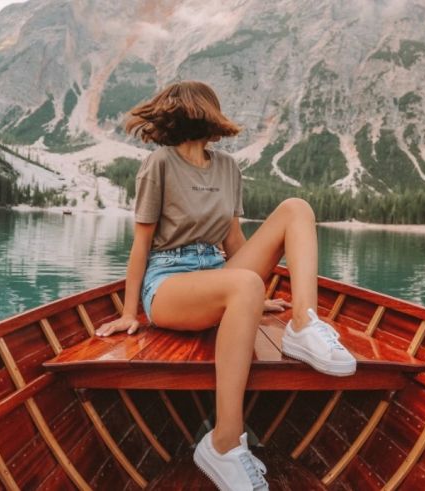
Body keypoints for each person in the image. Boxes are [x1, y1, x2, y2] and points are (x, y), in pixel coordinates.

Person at [96, 80, 356, 491]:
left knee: (296, 209)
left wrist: (255, 293)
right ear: (200, 115)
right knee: (245, 286)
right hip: (169, 281)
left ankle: (304, 324)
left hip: (218, 271)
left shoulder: (227, 168)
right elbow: (141, 245)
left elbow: (233, 240)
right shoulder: (159, 164)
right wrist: (130, 312)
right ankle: (223, 441)